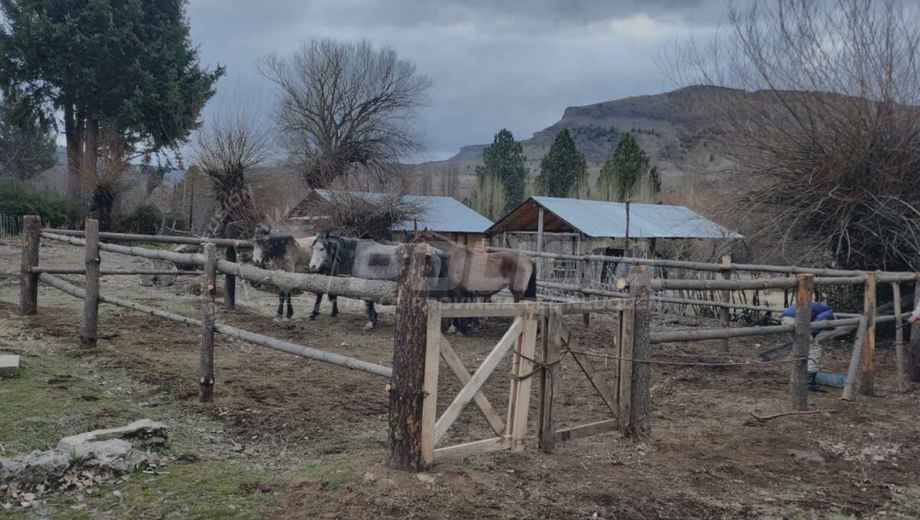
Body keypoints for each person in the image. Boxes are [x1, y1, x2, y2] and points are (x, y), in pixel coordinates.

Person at [780, 302, 835, 391]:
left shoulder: (819, 308)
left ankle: (796, 377)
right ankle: (809, 382)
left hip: (785, 318)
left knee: (799, 346)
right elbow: (818, 323)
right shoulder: (829, 312)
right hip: (796, 320)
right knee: (814, 347)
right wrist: (813, 336)